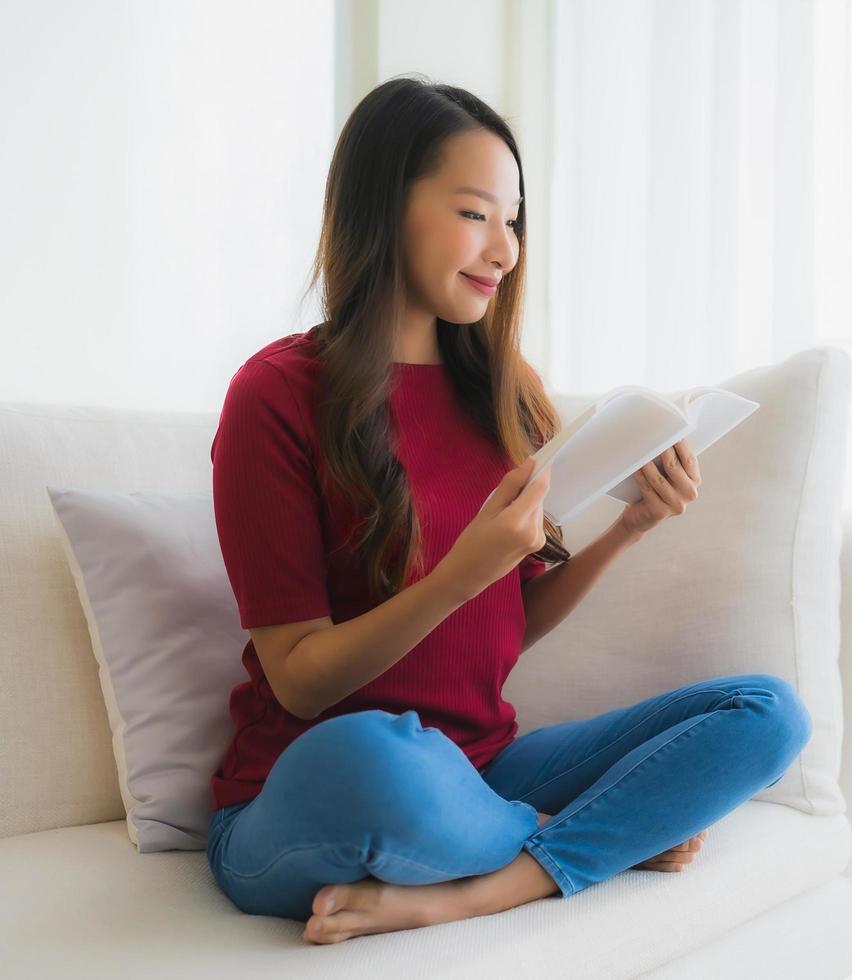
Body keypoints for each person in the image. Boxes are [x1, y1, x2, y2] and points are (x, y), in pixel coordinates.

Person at [206, 74, 812, 945]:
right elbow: (300, 679)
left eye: (515, 220)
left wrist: (627, 527)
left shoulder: (502, 395)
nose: (504, 250)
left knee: (766, 711)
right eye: (474, 213)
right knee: (374, 752)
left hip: (479, 771)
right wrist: (460, 577)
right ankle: (588, 840)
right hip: (305, 789)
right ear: (386, 205)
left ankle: (485, 886)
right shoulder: (275, 396)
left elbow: (506, 627)